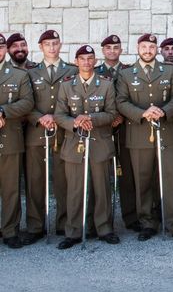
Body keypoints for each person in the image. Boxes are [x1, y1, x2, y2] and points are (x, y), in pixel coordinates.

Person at [116, 33, 173, 243]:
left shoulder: (168, 70)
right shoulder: (126, 74)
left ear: (156, 49)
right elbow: (121, 101)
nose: (147, 50)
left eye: (151, 47)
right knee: (143, 179)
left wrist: (164, 111)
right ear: (137, 48)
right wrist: (142, 113)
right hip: (139, 134)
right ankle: (148, 222)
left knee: (170, 178)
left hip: (166, 131)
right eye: (144, 47)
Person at [54, 45, 119, 249]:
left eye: (90, 58)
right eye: (82, 59)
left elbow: (111, 114)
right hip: (74, 144)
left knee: (101, 188)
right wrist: (75, 122)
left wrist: (90, 117)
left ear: (95, 61)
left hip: (99, 142)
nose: (86, 62)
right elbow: (59, 114)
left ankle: (104, 229)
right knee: (74, 189)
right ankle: (73, 231)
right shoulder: (66, 85)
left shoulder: (106, 85)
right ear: (76, 61)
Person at [24, 30, 78, 244]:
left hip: (64, 133)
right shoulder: (30, 73)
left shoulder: (72, 70)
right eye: (48, 44)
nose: (52, 47)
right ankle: (35, 226)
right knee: (35, 181)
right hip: (37, 132)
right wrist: (40, 117)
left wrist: (59, 118)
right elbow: (26, 102)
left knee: (63, 181)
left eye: (55, 43)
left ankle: (65, 224)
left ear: (60, 44)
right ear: (41, 47)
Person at [95, 34, 139, 232]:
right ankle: (100, 220)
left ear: (121, 50)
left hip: (125, 127)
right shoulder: (94, 72)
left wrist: (120, 115)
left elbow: (131, 98)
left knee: (127, 173)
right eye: (108, 48)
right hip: (101, 129)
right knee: (99, 176)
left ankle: (131, 217)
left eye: (116, 47)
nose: (112, 51)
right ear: (103, 51)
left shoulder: (130, 72)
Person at [0, 33, 34, 249]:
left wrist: (3, 110)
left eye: (1, 46)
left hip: (10, 137)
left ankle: (10, 230)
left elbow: (28, 103)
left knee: (11, 187)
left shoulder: (18, 75)